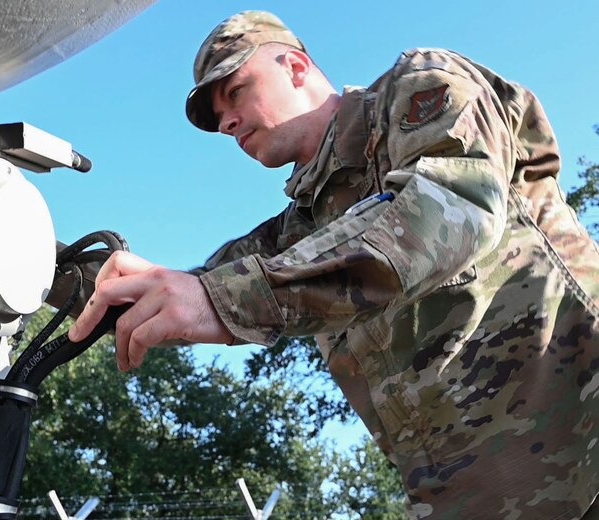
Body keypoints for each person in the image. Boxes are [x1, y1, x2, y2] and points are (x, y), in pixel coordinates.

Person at [69, 10, 599, 519]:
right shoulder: (296, 233)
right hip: (482, 501)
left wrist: (228, 299)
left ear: (294, 67)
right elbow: (175, 294)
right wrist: (20, 263)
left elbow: (449, 208)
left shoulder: (417, 88)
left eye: (234, 91)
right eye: (216, 118)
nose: (227, 121)